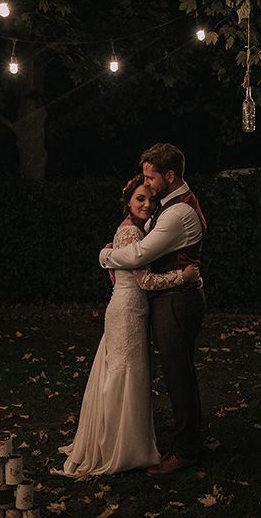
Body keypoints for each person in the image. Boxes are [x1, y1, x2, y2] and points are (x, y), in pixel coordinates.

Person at [58, 175, 200, 476]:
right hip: (128, 311)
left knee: (123, 375)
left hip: (130, 309)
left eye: (150, 199)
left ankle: (117, 441)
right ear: (128, 201)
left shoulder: (135, 230)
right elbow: (145, 280)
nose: (147, 204)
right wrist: (182, 277)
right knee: (125, 376)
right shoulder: (131, 235)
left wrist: (106, 256)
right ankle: (119, 447)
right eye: (140, 199)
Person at [99, 143, 206, 476]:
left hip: (176, 300)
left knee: (178, 375)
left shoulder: (177, 213)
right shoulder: (170, 204)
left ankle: (187, 450)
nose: (147, 183)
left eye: (151, 177)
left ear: (170, 176)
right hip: (172, 298)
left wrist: (105, 256)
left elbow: (138, 256)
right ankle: (190, 441)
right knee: (179, 372)